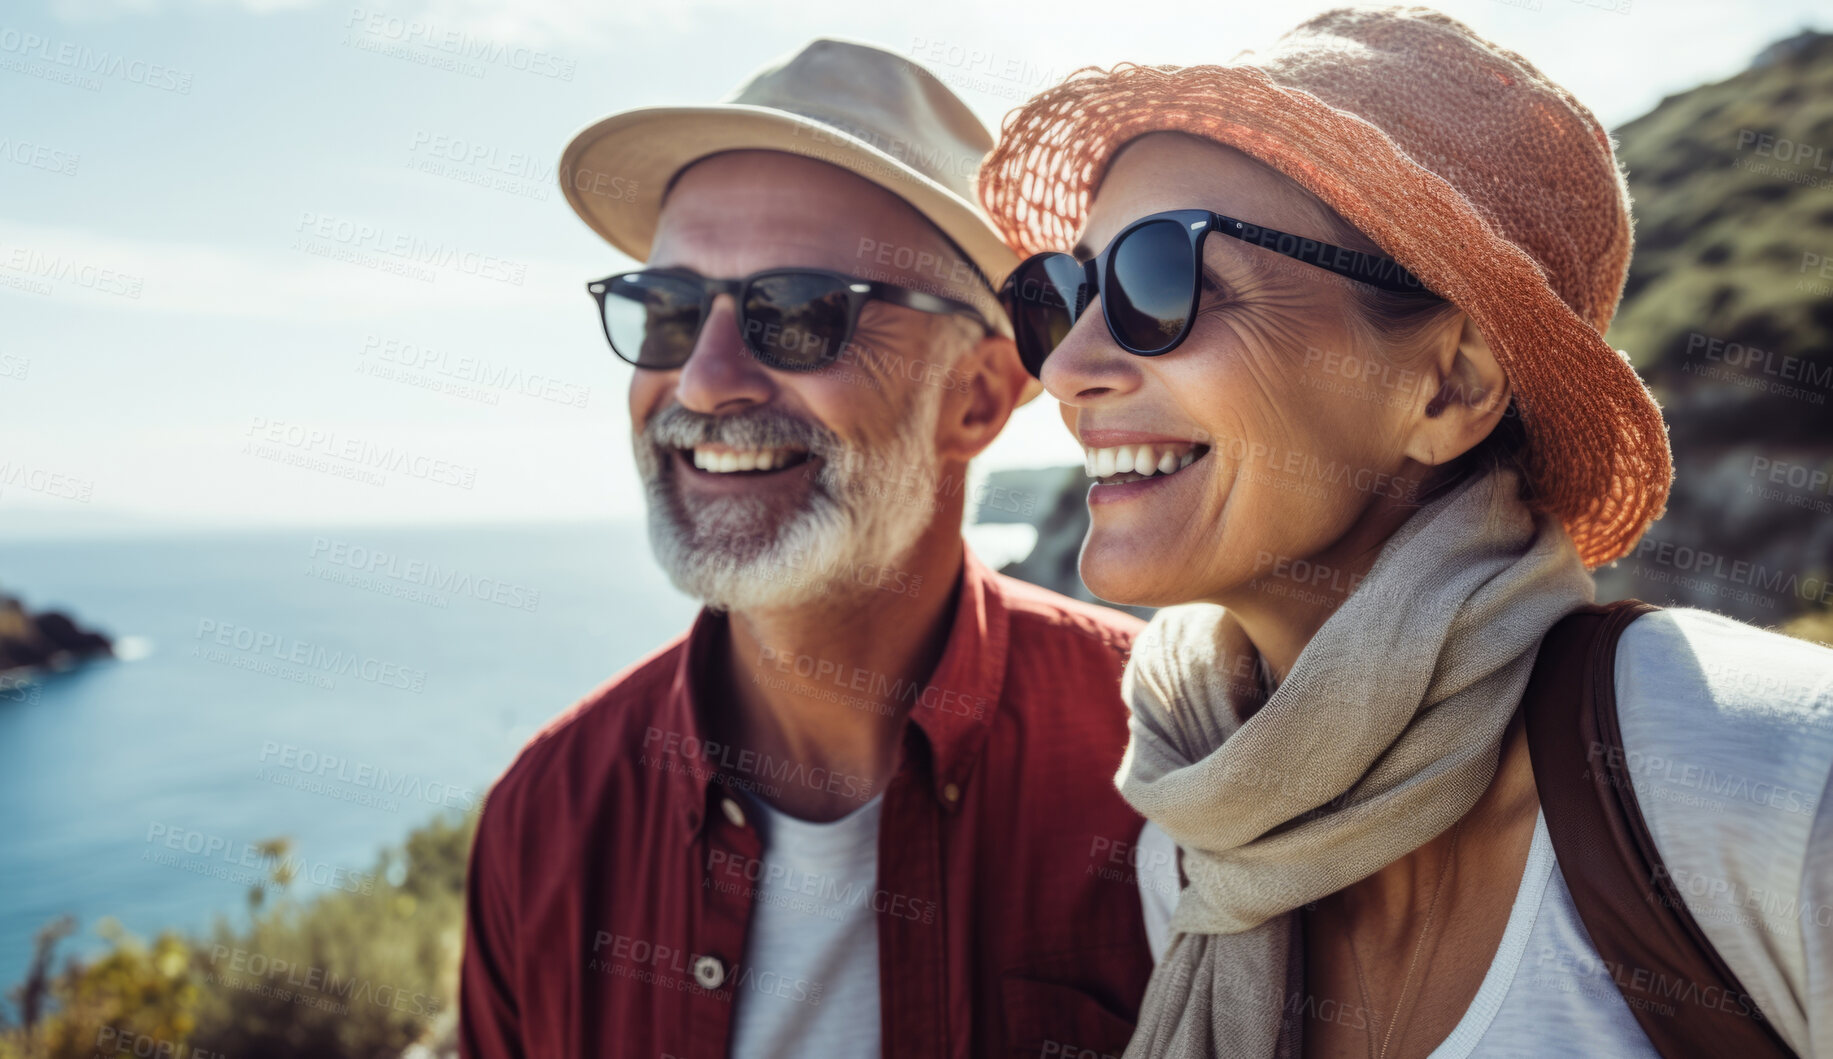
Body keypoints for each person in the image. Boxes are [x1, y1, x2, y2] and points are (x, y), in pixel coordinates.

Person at [980, 8, 1833, 1058]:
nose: (1065, 368)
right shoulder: (1194, 832)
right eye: (1061, 295)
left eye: (1160, 278)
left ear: (1448, 386)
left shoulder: (1770, 779)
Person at [459, 39, 1164, 1059]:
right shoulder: (547, 818)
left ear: (974, 396)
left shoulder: (1168, 767)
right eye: (663, 310)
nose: (703, 381)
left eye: (794, 314)